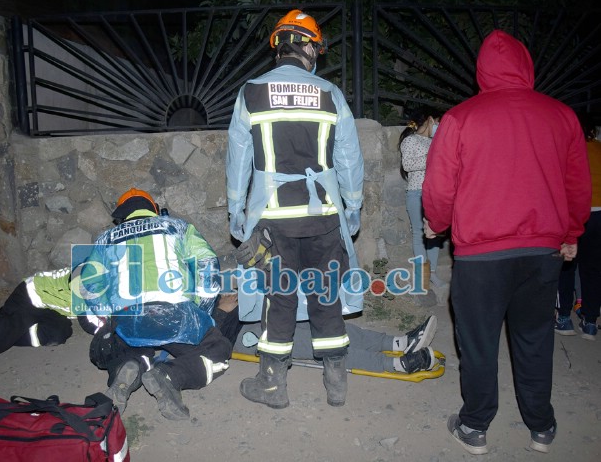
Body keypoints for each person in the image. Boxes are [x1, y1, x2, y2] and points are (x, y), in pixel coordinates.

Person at [422, 30, 591, 455]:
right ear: (527, 65)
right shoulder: (561, 115)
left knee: (477, 341)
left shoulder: (461, 118)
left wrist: (436, 224)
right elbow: (577, 185)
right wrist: (571, 233)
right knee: (535, 338)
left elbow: (440, 187)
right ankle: (542, 426)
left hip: (482, 255)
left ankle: (475, 426)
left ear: (481, 70)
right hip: (541, 252)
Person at [226, 9, 365, 409]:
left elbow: (237, 162)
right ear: (308, 47)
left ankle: (272, 383)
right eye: (316, 46)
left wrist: (238, 216)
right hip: (323, 217)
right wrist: (351, 211)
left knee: (280, 297)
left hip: (273, 220)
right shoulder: (330, 94)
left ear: (278, 46)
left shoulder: (251, 92)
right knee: (326, 294)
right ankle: (336, 381)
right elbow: (350, 162)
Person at [75, 187, 232, 420]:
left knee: (134, 345)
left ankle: (128, 367)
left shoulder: (105, 240)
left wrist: (110, 317)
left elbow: (87, 286)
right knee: (218, 350)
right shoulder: (178, 227)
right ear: (155, 210)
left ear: (121, 216)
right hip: (177, 315)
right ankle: (170, 376)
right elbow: (207, 264)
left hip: (129, 319)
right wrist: (201, 310)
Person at [214, 293, 439, 374]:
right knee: (325, 347)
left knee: (332, 329)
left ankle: (400, 342)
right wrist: (222, 313)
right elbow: (197, 346)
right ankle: (399, 365)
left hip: (257, 310)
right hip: (242, 334)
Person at [399, 113, 445, 288]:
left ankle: (432, 273)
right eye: (438, 122)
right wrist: (433, 157)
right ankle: (422, 276)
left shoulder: (435, 142)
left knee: (435, 234)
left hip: (435, 193)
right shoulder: (410, 140)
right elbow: (408, 165)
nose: (439, 126)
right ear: (430, 119)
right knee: (419, 235)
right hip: (417, 192)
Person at [573, 113, 601, 340]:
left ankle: (562, 317)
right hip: (600, 216)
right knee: (592, 269)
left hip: (576, 214)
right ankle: (590, 322)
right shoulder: (599, 149)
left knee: (566, 266)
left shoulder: (570, 151)